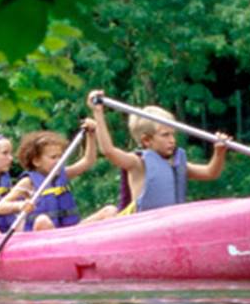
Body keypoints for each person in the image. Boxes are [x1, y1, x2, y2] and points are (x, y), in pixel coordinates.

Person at [86, 90, 229, 216]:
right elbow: (108, 151)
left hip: (167, 225)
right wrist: (98, 113)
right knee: (110, 212)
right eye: (165, 135)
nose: (172, 140)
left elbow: (210, 173)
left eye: (173, 134)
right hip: (140, 225)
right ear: (147, 140)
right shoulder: (137, 163)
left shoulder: (175, 163)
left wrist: (219, 152)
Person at [0, 122, 100, 231]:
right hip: (44, 234)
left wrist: (91, 135)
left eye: (60, 156)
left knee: (109, 211)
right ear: (36, 161)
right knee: (42, 220)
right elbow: (0, 207)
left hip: (70, 231)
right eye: (53, 157)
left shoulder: (64, 174)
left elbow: (88, 161)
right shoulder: (28, 182)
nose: (59, 161)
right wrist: (20, 205)